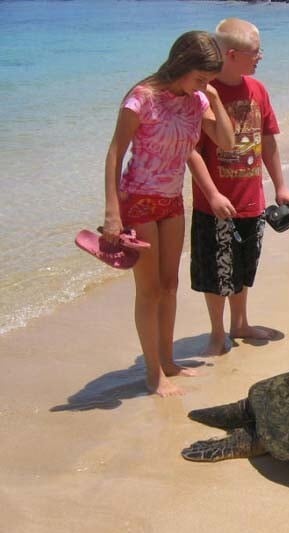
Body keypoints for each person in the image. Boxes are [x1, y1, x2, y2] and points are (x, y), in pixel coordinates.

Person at [101, 31, 235, 397]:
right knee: (149, 291)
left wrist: (215, 98)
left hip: (172, 200)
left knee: (171, 286)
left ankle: (168, 361)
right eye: (201, 77)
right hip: (139, 200)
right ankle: (153, 373)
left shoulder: (196, 100)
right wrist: (113, 212)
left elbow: (226, 141)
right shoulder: (141, 99)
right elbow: (115, 152)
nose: (204, 85)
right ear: (181, 65)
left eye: (208, 79)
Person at [188, 18, 289, 356]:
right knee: (217, 272)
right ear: (232, 55)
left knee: (245, 266)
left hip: (252, 201)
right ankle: (217, 332)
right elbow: (189, 150)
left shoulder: (258, 90)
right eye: (255, 52)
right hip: (216, 205)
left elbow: (268, 141)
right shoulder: (203, 94)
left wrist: (281, 186)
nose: (260, 57)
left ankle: (240, 323)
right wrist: (212, 193)